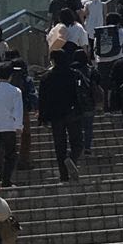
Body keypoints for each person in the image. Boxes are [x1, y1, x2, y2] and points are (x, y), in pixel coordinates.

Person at [36, 50, 86, 183]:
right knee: (78, 142)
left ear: (53, 60)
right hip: (73, 112)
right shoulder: (74, 74)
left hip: (55, 115)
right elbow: (83, 91)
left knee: (60, 146)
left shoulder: (46, 77)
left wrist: (42, 117)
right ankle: (72, 159)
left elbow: (42, 99)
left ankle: (64, 175)